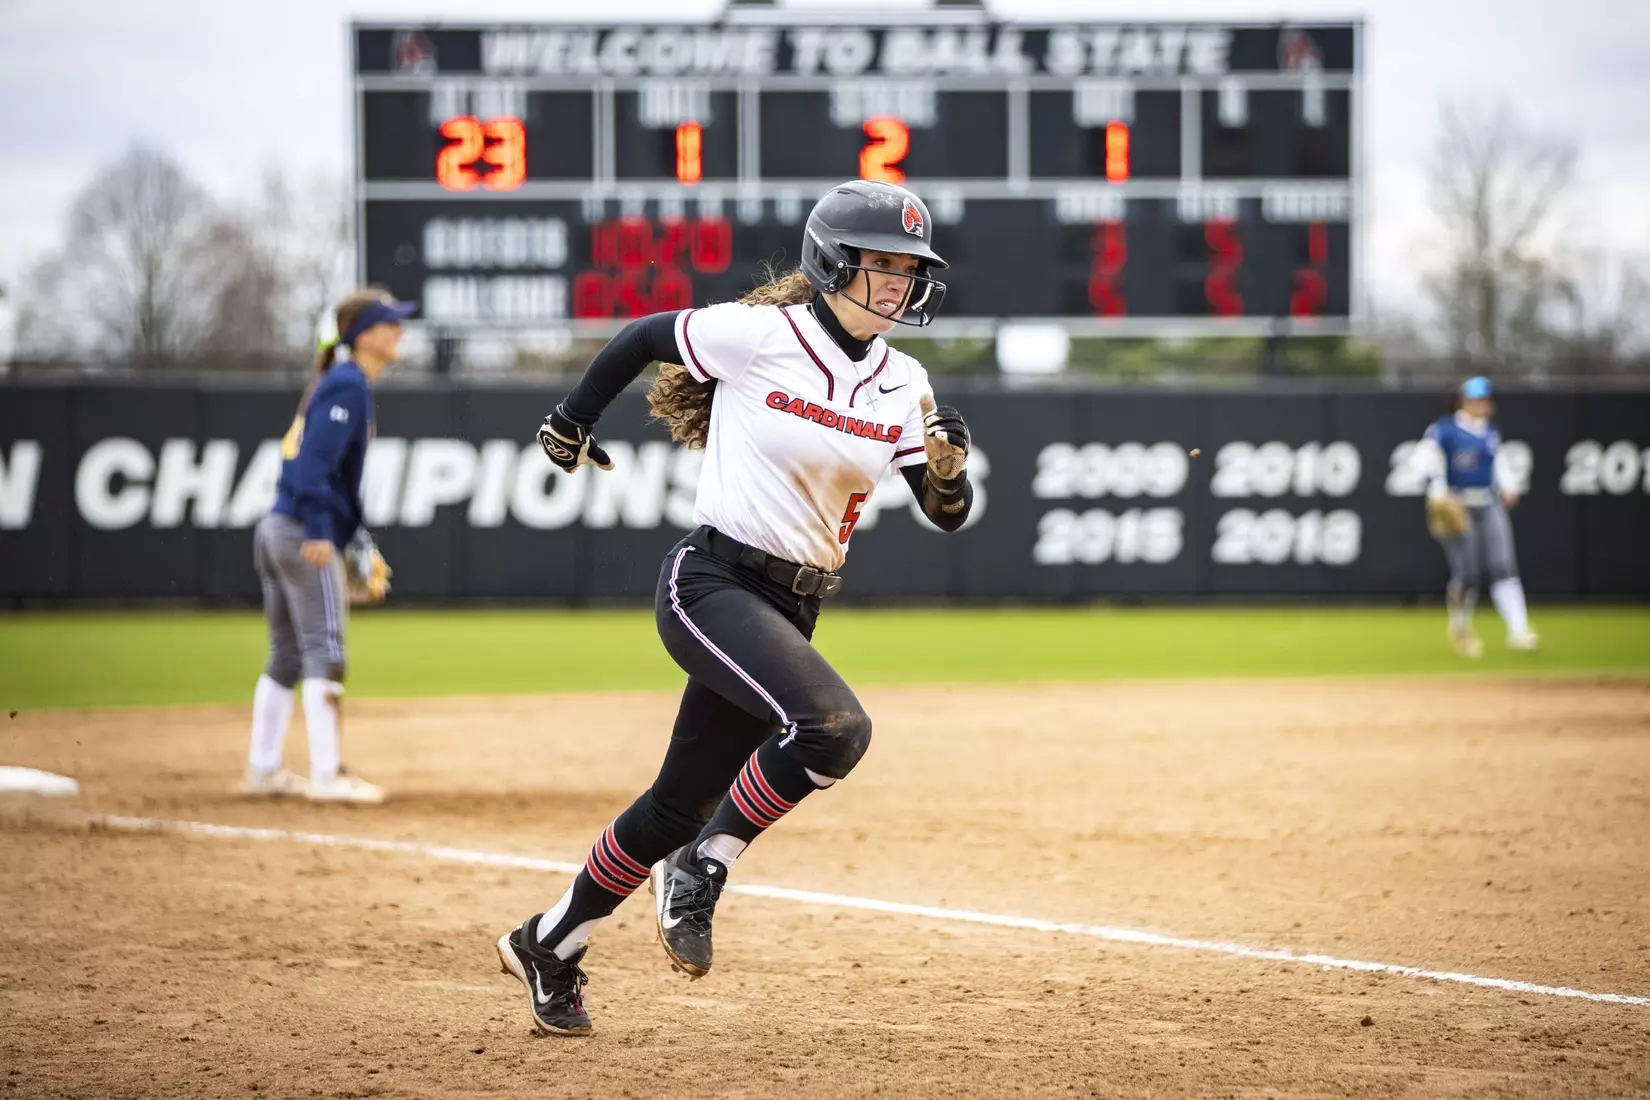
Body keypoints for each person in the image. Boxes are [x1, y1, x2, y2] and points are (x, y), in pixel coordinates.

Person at [495, 180, 975, 1036]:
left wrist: (944, 473)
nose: (902, 282)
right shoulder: (763, 336)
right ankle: (705, 866)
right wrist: (571, 418)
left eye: (912, 268)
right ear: (831, 263)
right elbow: (646, 336)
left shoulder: (905, 381)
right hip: (710, 583)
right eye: (884, 264)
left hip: (794, 607)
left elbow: (945, 511)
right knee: (834, 729)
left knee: (676, 801)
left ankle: (551, 942)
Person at [240, 289, 413, 803]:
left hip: (278, 527)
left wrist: (347, 531)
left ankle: (264, 767)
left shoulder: (337, 381)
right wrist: (321, 530)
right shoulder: (348, 385)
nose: (399, 331)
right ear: (364, 334)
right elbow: (313, 467)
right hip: (301, 532)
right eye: (391, 323)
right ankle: (327, 773)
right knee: (325, 650)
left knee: (287, 654)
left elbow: (317, 468)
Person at [1417, 376, 1538, 657]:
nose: (1482, 405)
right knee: (1467, 574)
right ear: (1463, 401)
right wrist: (1439, 492)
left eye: (1484, 400)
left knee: (1504, 566)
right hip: (1458, 505)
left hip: (1487, 501)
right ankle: (1461, 629)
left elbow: (1497, 463)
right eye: (1476, 400)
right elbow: (1423, 461)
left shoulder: (1489, 432)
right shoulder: (1444, 430)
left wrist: (1507, 487)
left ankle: (1519, 630)